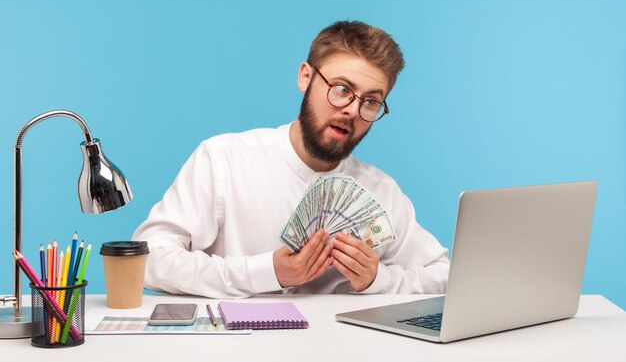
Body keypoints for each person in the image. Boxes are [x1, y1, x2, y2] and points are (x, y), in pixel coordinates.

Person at [132, 20, 450, 298]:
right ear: (305, 77)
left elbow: (444, 276)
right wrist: (266, 272)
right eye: (341, 89)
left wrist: (376, 280)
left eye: (371, 101)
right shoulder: (222, 161)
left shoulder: (381, 192)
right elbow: (147, 260)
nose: (353, 110)